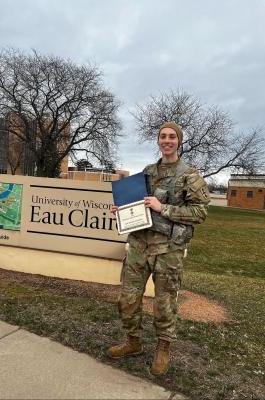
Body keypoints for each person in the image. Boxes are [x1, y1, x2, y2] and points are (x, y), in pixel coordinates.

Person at [107, 121, 210, 375]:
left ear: (179, 141)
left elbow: (200, 212)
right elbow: (138, 204)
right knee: (128, 298)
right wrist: (123, 210)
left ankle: (163, 349)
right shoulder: (148, 171)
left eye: (172, 137)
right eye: (163, 136)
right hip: (139, 244)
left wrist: (162, 207)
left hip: (168, 249)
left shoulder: (190, 175)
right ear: (158, 140)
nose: (167, 140)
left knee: (164, 303)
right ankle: (133, 343)